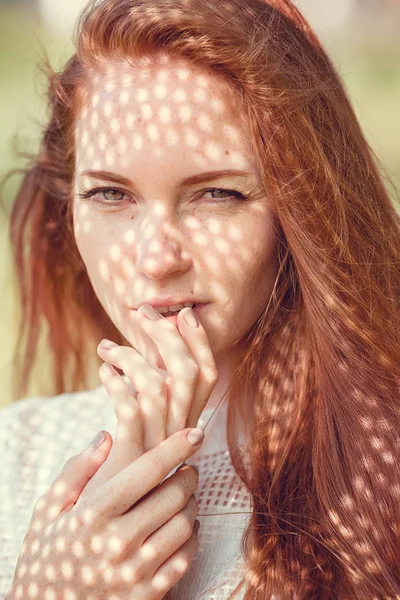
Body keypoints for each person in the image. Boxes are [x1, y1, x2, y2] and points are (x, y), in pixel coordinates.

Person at [1, 0, 399, 598]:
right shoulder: (15, 451)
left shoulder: (378, 475)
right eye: (111, 194)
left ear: (301, 212)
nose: (158, 257)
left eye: (215, 193)